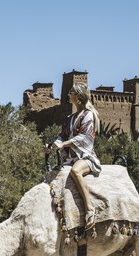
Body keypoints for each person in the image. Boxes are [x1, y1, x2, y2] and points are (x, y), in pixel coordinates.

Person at [49, 82, 102, 231]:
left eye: (71, 92)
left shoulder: (89, 115)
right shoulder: (70, 117)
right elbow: (62, 135)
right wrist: (54, 145)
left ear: (77, 96)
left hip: (85, 157)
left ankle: (90, 209)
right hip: (71, 158)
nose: (68, 95)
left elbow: (83, 138)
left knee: (76, 172)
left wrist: (64, 144)